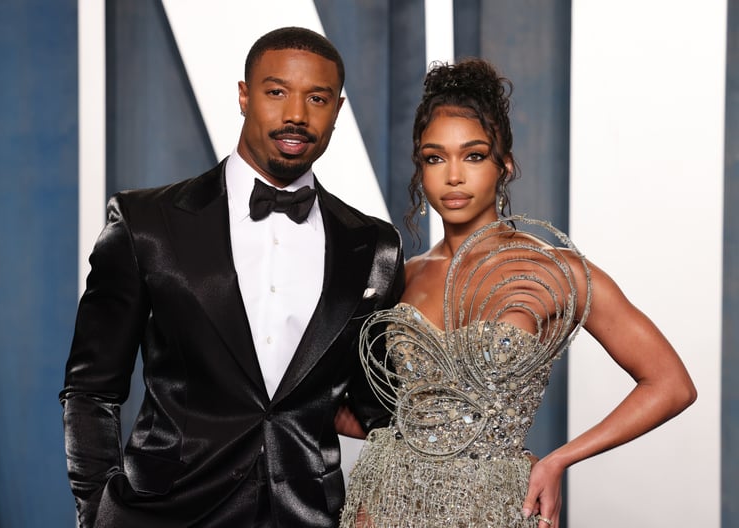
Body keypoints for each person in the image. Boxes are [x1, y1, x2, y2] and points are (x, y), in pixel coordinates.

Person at [59, 26, 404, 528]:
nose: (296, 115)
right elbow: (91, 389)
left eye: (317, 98)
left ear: (338, 109)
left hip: (307, 516)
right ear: (244, 96)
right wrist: (96, 513)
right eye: (276, 92)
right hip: (164, 513)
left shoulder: (375, 246)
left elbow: (378, 407)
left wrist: (490, 457)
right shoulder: (146, 223)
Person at [339, 58, 696, 528]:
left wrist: (557, 461)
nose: (453, 176)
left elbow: (671, 385)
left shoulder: (554, 270)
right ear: (420, 169)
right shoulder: (403, 275)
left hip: (495, 506)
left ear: (504, 164)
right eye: (434, 157)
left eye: (473, 155)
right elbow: (348, 402)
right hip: (385, 500)